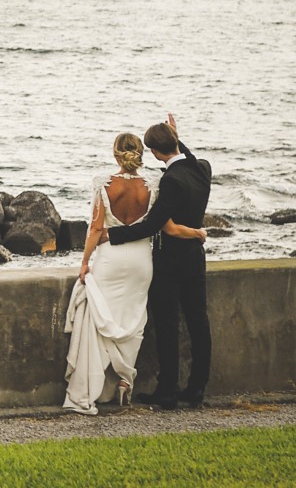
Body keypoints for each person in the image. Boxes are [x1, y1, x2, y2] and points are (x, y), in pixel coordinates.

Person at [63, 131, 206, 415]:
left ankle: (95, 387)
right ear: (141, 154)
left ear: (116, 154)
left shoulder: (104, 185)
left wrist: (84, 263)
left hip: (111, 260)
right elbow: (167, 228)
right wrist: (198, 232)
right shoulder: (154, 185)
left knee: (101, 320)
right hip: (142, 263)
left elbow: (94, 229)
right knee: (133, 320)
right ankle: (124, 383)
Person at [101, 114, 213, 409]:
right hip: (195, 259)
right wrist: (178, 137)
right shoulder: (202, 169)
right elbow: (189, 156)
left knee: (167, 325)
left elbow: (152, 225)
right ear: (175, 142)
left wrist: (111, 235)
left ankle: (167, 391)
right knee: (198, 322)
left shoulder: (170, 181)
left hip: (171, 261)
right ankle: (197, 388)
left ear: (153, 152)